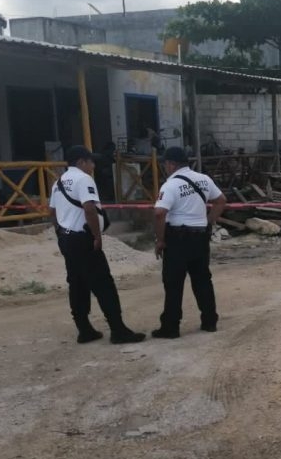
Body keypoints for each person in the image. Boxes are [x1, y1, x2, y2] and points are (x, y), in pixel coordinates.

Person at [50, 146, 146, 345]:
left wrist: (60, 233)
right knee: (103, 284)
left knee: (77, 284)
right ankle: (118, 330)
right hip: (84, 239)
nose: (93, 166)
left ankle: (84, 329)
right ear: (81, 162)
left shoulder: (58, 183)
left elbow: (52, 211)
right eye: (90, 161)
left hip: (67, 239)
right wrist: (97, 237)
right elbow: (89, 209)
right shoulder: (83, 179)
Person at [152, 147, 227, 339]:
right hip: (200, 237)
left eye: (165, 164)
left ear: (171, 164)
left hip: (177, 239)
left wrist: (160, 240)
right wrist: (208, 222)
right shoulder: (204, 179)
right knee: (202, 280)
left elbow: (159, 213)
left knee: (173, 283)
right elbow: (221, 200)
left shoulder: (170, 185)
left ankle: (171, 326)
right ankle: (210, 321)